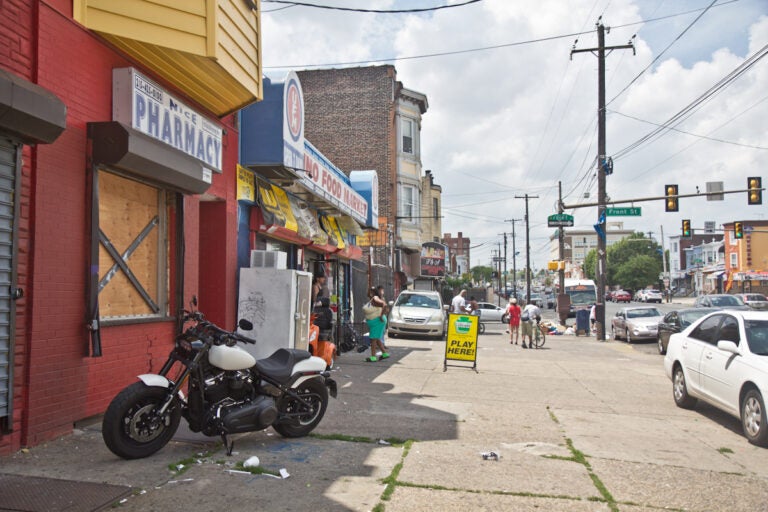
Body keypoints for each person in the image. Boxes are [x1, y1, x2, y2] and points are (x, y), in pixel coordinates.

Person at [364, 286, 389, 362]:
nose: (369, 292)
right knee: (377, 338)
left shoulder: (375, 298)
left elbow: (384, 305)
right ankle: (384, 353)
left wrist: (381, 315)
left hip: (377, 321)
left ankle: (373, 357)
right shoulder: (372, 299)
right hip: (376, 321)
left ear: (374, 292)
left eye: (371, 291)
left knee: (373, 339)